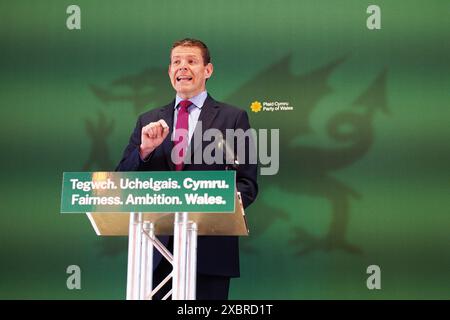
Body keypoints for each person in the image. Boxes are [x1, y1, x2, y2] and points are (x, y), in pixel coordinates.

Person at [116, 38, 258, 300]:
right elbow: (123, 181)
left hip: (209, 253)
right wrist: (144, 150)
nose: (183, 67)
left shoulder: (233, 118)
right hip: (154, 252)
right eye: (176, 62)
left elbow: (246, 184)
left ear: (208, 70)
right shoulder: (147, 120)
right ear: (169, 71)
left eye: (191, 61)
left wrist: (207, 208)